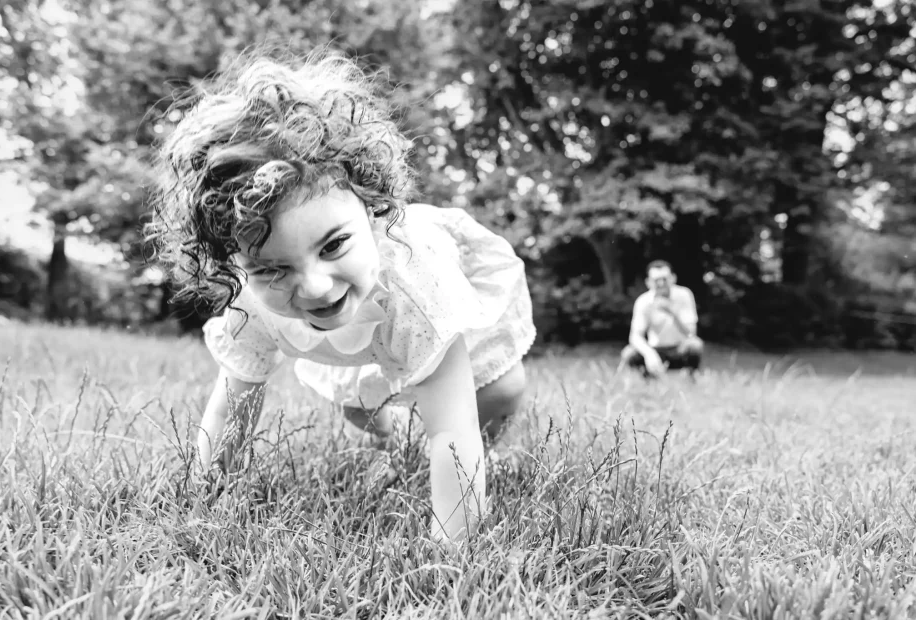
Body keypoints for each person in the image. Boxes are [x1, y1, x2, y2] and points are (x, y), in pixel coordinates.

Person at [147, 50, 536, 544]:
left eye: (333, 245)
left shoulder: (418, 288)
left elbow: (452, 433)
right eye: (272, 268)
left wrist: (450, 554)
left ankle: (486, 455)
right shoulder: (251, 304)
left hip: (418, 295)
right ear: (235, 264)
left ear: (372, 206)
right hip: (361, 325)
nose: (314, 286)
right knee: (361, 407)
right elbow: (231, 406)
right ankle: (397, 435)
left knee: (497, 391)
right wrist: (202, 497)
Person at [619, 260, 703, 377]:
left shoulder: (684, 295)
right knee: (629, 353)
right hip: (656, 349)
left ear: (673, 278)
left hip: (679, 349)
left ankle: (691, 377)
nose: (661, 283)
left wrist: (672, 313)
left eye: (665, 279)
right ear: (648, 282)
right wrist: (649, 354)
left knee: (695, 345)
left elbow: (691, 333)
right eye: (656, 280)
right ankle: (648, 379)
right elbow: (635, 336)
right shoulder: (643, 302)